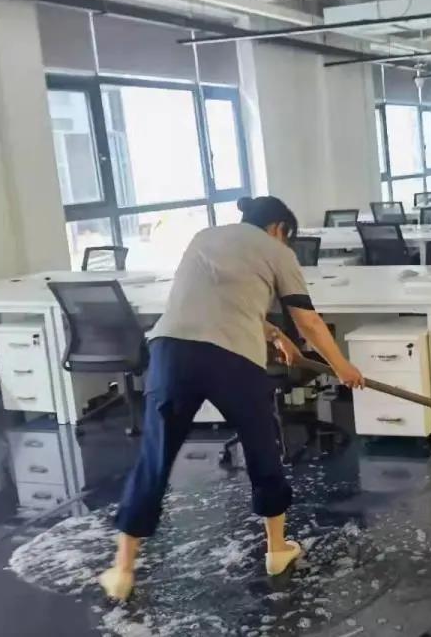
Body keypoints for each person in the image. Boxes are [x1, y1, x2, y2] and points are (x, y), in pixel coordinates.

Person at [98, 196, 365, 601]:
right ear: (279, 229)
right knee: (262, 450)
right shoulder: (278, 251)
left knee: (155, 457)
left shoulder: (204, 237)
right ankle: (277, 550)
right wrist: (341, 366)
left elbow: (219, 303)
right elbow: (308, 320)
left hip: (171, 353)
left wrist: (275, 335)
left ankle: (122, 569)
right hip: (232, 360)